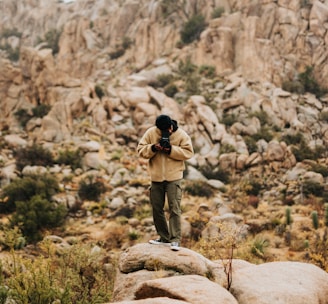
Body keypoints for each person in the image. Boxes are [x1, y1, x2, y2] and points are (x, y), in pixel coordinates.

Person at [137, 114, 194, 251]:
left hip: (174, 177)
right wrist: (154, 148)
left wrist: (170, 150)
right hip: (156, 178)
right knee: (157, 208)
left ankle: (175, 240)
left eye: (167, 130)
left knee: (174, 208)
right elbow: (140, 150)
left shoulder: (180, 134)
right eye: (161, 130)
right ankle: (164, 238)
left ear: (170, 127)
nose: (165, 133)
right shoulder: (151, 132)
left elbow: (188, 152)